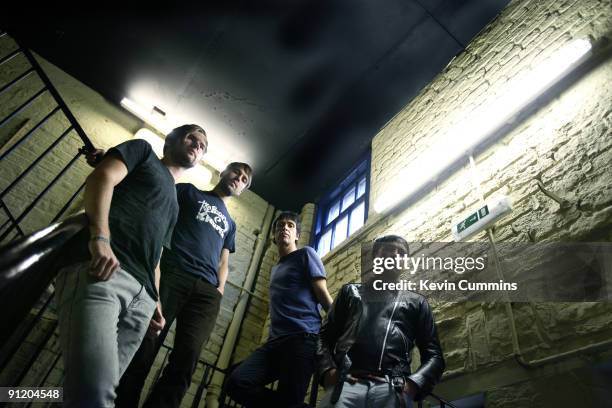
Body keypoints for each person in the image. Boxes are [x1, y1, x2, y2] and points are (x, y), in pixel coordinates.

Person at [55, 124, 208, 407]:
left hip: (143, 302)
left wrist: (157, 301)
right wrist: (100, 237)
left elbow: (158, 255)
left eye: (203, 145)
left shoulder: (175, 202)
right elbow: (102, 177)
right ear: (171, 139)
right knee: (93, 393)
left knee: (95, 393)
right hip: (104, 273)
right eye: (192, 137)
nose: (198, 144)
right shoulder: (143, 151)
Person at [115, 161, 253, 408]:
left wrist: (219, 290)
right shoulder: (189, 192)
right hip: (173, 273)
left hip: (207, 293)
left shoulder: (230, 225)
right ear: (223, 172)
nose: (239, 179)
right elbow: (161, 216)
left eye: (244, 179)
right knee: (145, 344)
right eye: (237, 172)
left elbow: (224, 261)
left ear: (243, 189)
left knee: (187, 360)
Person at [316, 235, 445, 408]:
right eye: (388, 250)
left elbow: (434, 355)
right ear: (375, 256)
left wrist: (413, 385)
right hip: (345, 385)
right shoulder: (350, 292)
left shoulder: (417, 302)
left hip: (393, 388)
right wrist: (327, 372)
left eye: (401, 252)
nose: (395, 255)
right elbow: (323, 337)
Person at [225, 211, 333, 407]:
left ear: (297, 235)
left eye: (290, 225)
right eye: (280, 225)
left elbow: (323, 296)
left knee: (289, 400)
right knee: (236, 382)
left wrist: (340, 331)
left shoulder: (306, 254)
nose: (285, 227)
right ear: (274, 235)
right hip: (274, 343)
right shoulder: (275, 269)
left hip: (302, 339)